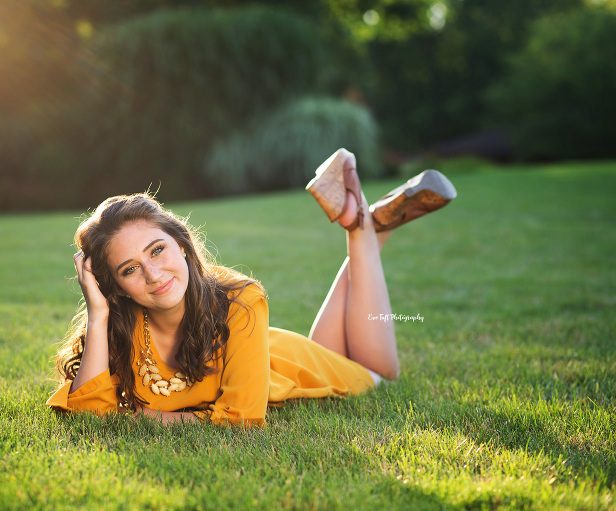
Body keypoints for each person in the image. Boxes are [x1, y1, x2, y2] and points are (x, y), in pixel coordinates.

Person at [46, 148, 456, 426]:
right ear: (113, 286)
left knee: (380, 374)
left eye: (157, 250)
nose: (153, 275)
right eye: (130, 269)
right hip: (275, 357)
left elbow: (241, 420)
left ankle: (363, 226)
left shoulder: (239, 298)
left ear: (183, 244)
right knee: (331, 343)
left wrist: (149, 417)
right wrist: (98, 315)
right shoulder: (120, 326)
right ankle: (366, 223)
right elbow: (87, 412)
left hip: (299, 365)